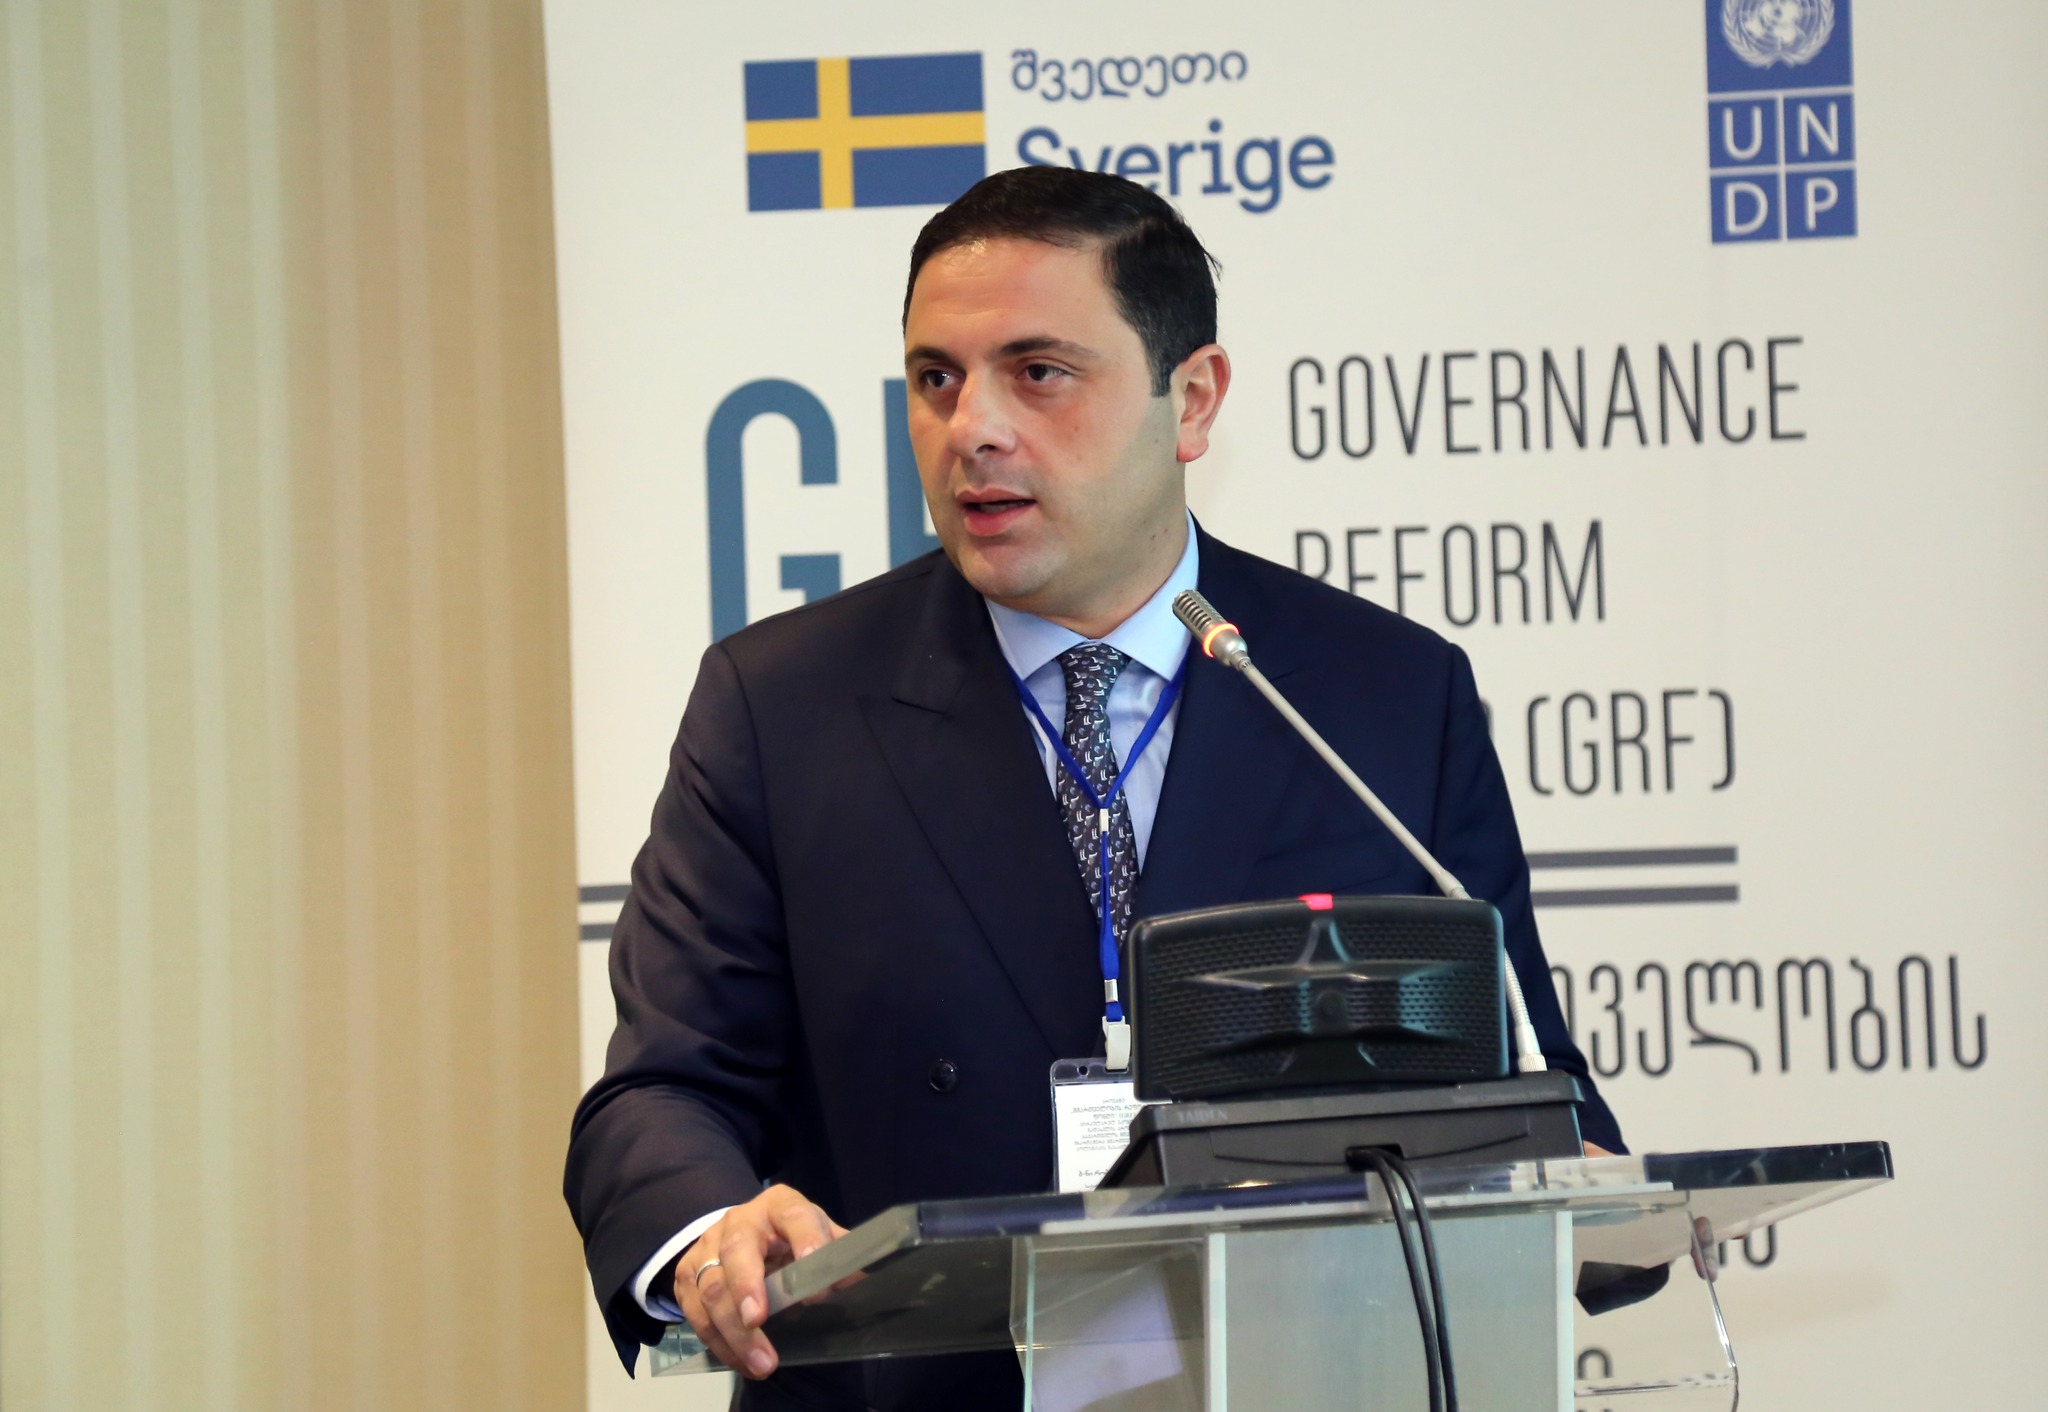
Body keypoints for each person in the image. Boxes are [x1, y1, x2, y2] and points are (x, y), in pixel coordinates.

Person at [565, 167, 1623, 1410]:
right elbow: (662, 1087)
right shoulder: (784, 703)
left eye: (1037, 371)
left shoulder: (1379, 695)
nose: (972, 428)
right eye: (935, 378)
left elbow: (1526, 1085)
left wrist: (1579, 1184)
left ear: (1192, 398)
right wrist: (709, 1231)